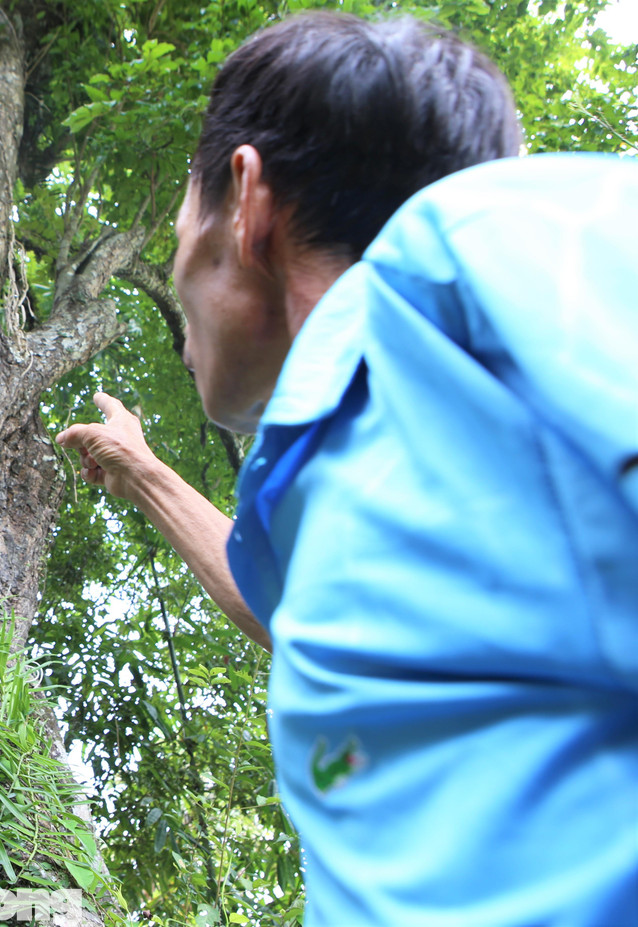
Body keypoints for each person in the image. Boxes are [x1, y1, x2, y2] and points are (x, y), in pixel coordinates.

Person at [56, 11, 638, 926]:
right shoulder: (367, 443)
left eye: (179, 216)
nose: (175, 260)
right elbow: (287, 607)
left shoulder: (498, 260)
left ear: (246, 200)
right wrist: (144, 473)